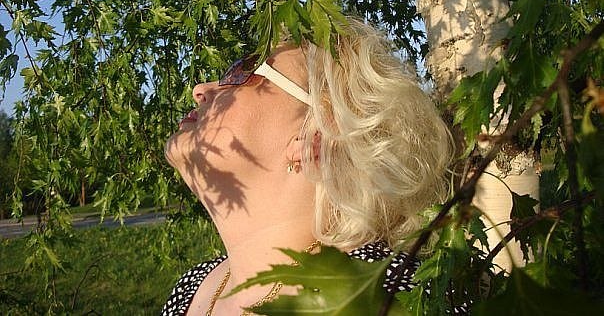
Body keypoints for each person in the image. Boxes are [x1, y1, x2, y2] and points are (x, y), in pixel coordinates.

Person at [161, 18, 454, 315]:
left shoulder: (399, 297)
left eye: (243, 71)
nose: (201, 89)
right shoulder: (191, 288)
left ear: (318, 136)